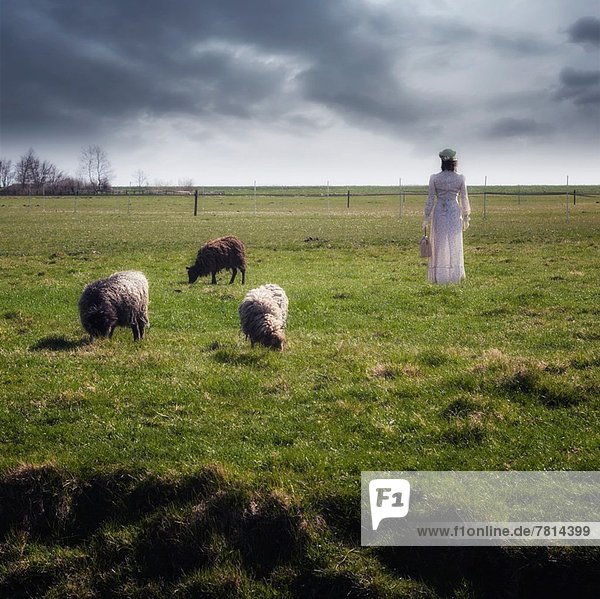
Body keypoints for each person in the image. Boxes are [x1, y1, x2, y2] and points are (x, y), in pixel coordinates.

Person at [423, 148, 471, 284]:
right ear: (455, 162)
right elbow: (464, 198)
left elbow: (431, 198)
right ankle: (455, 275)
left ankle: (441, 276)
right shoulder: (460, 178)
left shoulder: (434, 178)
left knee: (440, 242)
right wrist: (466, 215)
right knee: (454, 241)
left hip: (440, 210)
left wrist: (426, 216)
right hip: (454, 211)